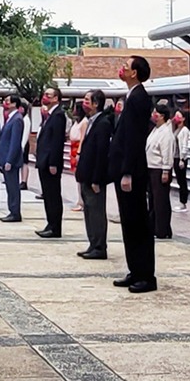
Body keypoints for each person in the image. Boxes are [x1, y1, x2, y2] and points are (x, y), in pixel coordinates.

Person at [110, 57, 155, 292]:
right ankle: (135, 270)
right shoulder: (131, 96)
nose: (122, 70)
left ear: (135, 73)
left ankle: (146, 275)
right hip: (123, 168)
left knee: (137, 223)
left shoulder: (139, 98)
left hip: (133, 170)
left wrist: (127, 172)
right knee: (128, 223)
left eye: (126, 67)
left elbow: (135, 139)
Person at [75, 90, 113, 259]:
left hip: (94, 178)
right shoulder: (91, 121)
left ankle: (99, 246)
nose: (84, 103)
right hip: (86, 175)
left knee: (96, 212)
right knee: (89, 212)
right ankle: (92, 243)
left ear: (96, 103)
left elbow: (101, 153)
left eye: (87, 100)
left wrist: (97, 179)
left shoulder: (103, 123)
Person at [35, 85, 67, 239]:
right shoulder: (49, 115)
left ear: (56, 98)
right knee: (47, 195)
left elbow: (56, 141)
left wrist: (53, 163)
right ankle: (50, 223)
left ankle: (55, 227)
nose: (45, 97)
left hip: (50, 162)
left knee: (53, 195)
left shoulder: (59, 115)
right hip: (44, 161)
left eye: (48, 95)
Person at [145, 100, 176, 240]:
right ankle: (153, 226)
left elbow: (167, 153)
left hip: (160, 169)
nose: (153, 115)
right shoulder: (155, 129)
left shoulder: (166, 133)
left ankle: (162, 229)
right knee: (152, 200)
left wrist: (166, 170)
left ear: (162, 116)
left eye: (156, 113)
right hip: (151, 168)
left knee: (160, 200)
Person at [0, 97, 25, 223]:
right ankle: (12, 210)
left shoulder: (17, 119)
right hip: (4, 157)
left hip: (11, 160)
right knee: (9, 187)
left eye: (8, 101)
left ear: (15, 104)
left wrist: (9, 160)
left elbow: (15, 142)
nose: (6, 103)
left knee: (13, 187)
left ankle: (15, 212)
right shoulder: (10, 118)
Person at [171, 110, 190, 208]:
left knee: (182, 181)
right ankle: (181, 201)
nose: (176, 118)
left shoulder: (184, 130)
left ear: (183, 118)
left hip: (180, 158)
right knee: (179, 180)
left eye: (178, 116)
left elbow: (184, 145)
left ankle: (183, 202)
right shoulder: (175, 129)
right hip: (175, 157)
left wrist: (182, 159)